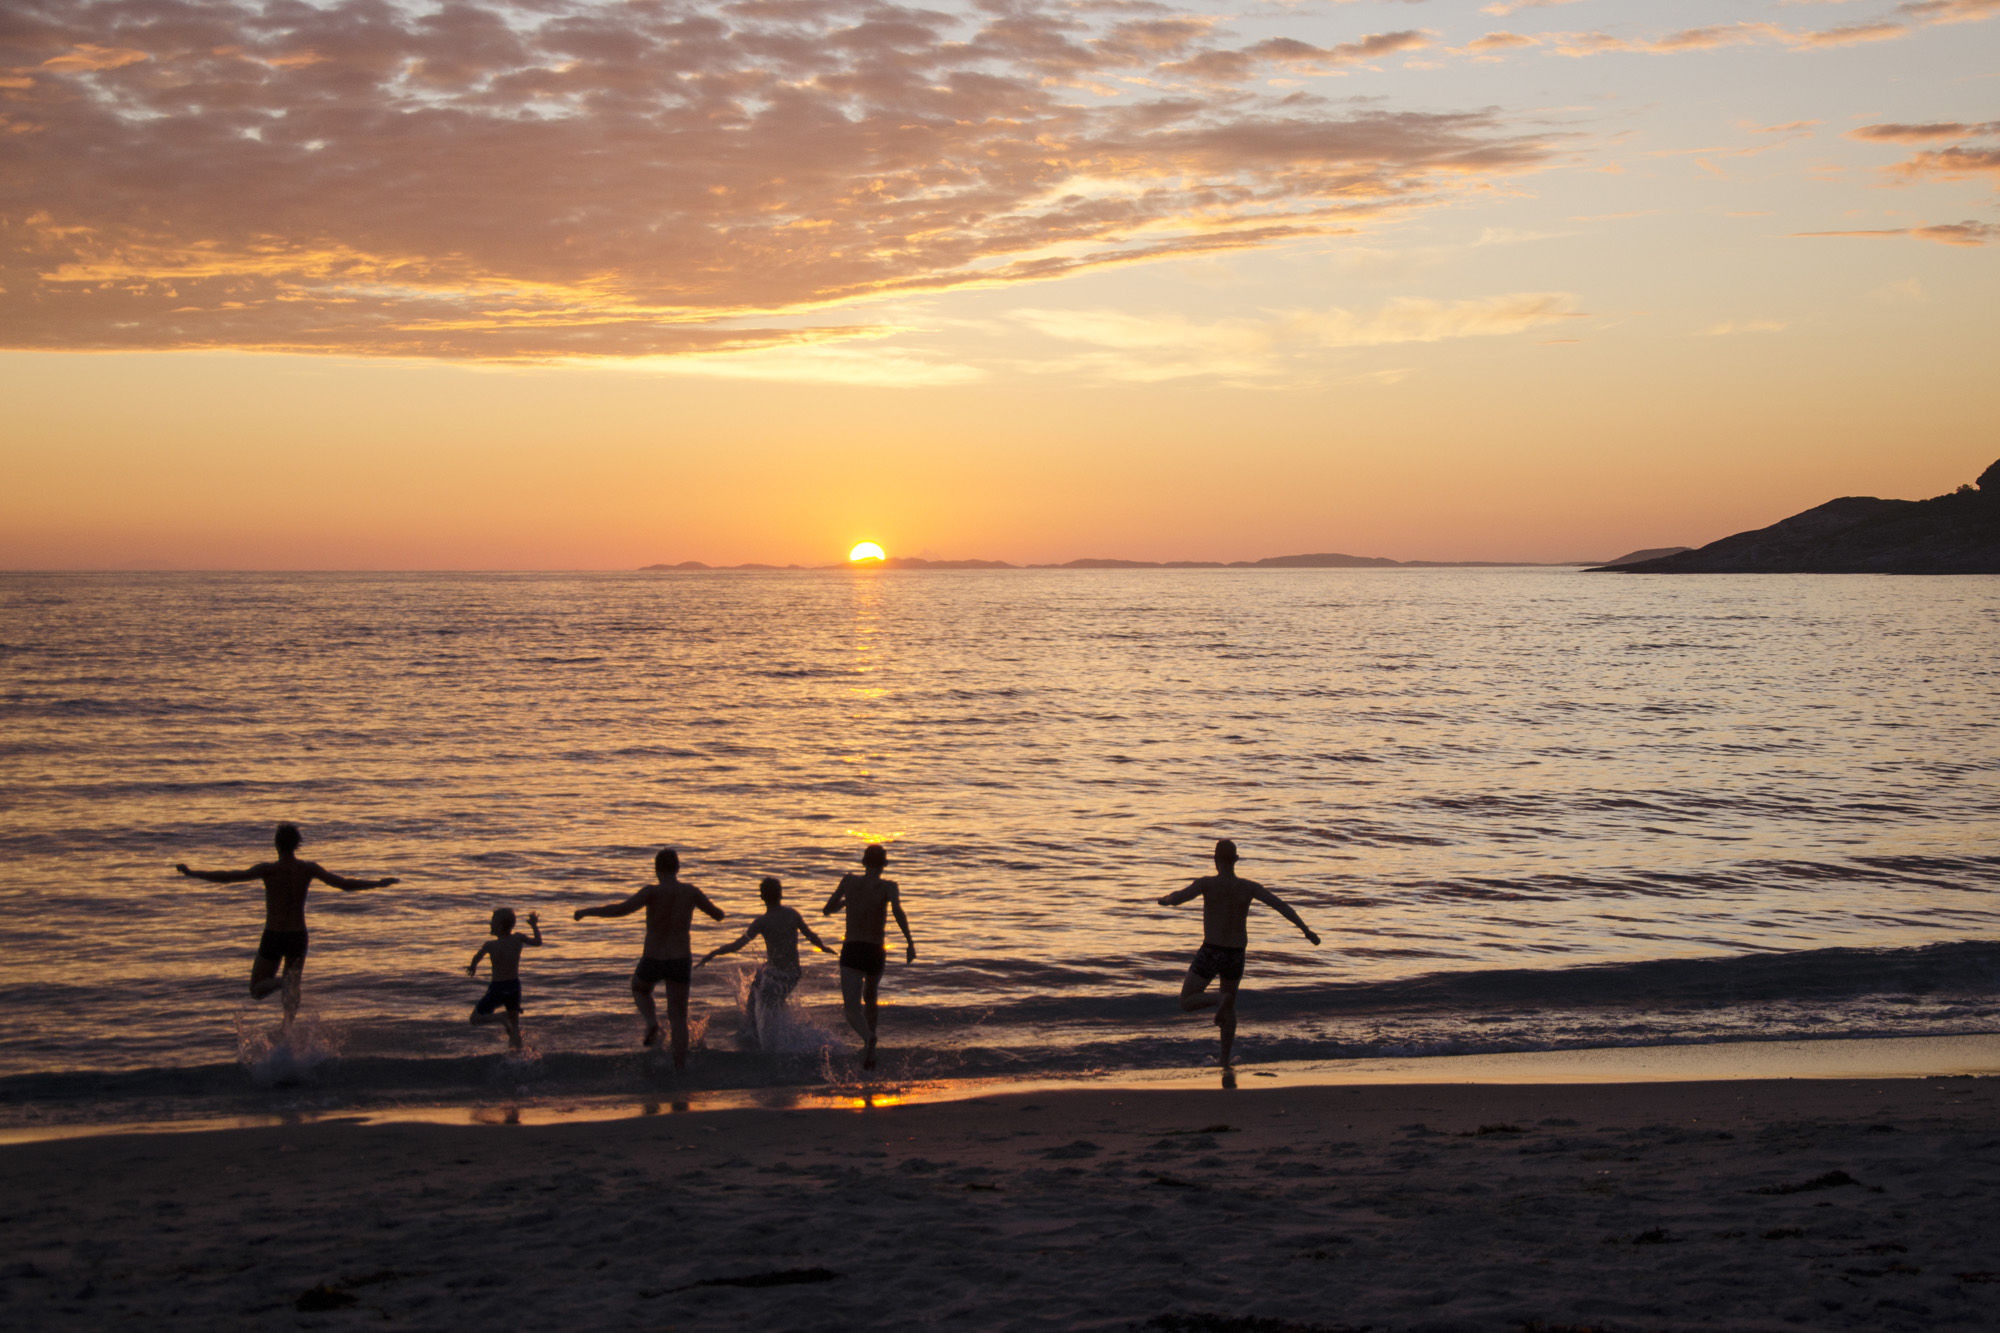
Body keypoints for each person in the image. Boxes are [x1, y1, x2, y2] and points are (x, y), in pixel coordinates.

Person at [175, 823, 399, 1028]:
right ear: (297, 844)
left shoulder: (268, 870)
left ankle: (281, 983)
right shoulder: (308, 869)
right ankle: (287, 1029)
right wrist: (378, 884)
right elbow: (344, 884)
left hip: (274, 934)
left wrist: (193, 873)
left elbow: (229, 877)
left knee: (257, 989)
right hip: (297, 936)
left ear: (276, 844)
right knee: (292, 991)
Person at [1157, 838, 1319, 1068]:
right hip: (1236, 953)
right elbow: (1281, 906)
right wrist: (1306, 930)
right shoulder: (1248, 887)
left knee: (1187, 1000)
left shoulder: (1206, 884)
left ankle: (1218, 999)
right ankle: (1224, 1059)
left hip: (1212, 950)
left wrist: (1164, 900)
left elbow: (1178, 898)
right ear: (1235, 861)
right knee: (1230, 1007)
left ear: (1215, 860)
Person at [572, 848, 724, 1068]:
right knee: (678, 1016)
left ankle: (652, 1022)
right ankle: (679, 1068)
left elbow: (620, 910)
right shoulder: (691, 892)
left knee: (639, 988)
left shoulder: (651, 892)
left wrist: (587, 911)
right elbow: (718, 915)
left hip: (653, 956)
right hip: (680, 958)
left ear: (656, 869)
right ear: (678, 868)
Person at [697, 877, 833, 1044]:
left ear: (762, 897)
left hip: (777, 975)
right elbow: (812, 936)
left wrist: (714, 953)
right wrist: (824, 947)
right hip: (793, 973)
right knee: (758, 983)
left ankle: (766, 1039)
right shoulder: (792, 914)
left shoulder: (762, 921)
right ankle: (767, 1031)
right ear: (781, 894)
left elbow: (738, 945)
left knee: (766, 1003)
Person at [822, 843, 914, 1069]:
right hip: (875, 950)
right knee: (870, 999)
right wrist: (910, 943)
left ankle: (867, 1038)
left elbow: (827, 909)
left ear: (863, 862)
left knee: (851, 1008)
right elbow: (898, 913)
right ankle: (870, 1052)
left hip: (853, 948)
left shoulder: (848, 881)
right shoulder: (889, 886)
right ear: (884, 864)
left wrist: (845, 902)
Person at [467, 907, 542, 1051]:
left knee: (475, 1019)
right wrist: (534, 925)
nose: (490, 924)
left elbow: (477, 957)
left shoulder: (490, 945)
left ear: (500, 926)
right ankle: (516, 1056)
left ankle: (500, 1018)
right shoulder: (518, 938)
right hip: (513, 987)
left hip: (498, 988)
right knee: (514, 1027)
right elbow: (538, 942)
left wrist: (472, 967)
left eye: (492, 922)